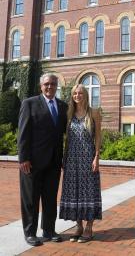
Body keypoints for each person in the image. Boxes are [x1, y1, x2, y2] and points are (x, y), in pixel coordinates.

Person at [18, 73, 68, 246]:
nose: (50, 87)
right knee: (30, 199)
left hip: (54, 162)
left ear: (57, 86)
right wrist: (23, 157)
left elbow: (64, 134)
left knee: (50, 198)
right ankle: (30, 232)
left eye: (53, 84)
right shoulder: (29, 103)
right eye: (47, 84)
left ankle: (48, 230)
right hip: (32, 162)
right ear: (41, 86)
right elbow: (23, 133)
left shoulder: (62, 106)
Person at [59, 84, 102, 243]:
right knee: (74, 190)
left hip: (88, 157)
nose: (77, 95)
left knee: (89, 190)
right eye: (75, 93)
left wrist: (97, 156)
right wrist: (64, 157)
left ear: (86, 95)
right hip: (71, 158)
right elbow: (67, 139)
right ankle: (78, 226)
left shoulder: (94, 113)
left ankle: (89, 227)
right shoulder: (69, 114)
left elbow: (98, 136)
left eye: (80, 93)